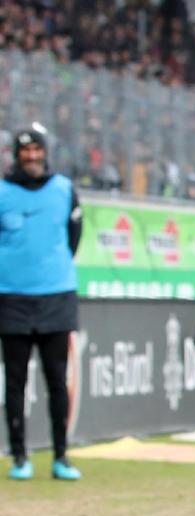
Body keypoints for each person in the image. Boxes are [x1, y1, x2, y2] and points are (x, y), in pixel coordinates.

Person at [1, 125, 83, 482]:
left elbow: (73, 236)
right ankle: (20, 457)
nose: (31, 157)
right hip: (11, 298)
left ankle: (61, 456)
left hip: (56, 296)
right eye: (25, 151)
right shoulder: (2, 191)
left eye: (37, 150)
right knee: (15, 381)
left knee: (56, 380)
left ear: (45, 153)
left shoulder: (64, 189)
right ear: (16, 155)